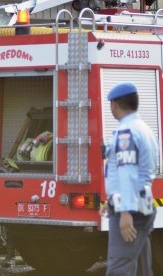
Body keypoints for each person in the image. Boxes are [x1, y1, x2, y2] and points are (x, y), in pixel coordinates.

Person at [100, 82, 158, 276]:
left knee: (119, 268)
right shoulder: (145, 129)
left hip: (131, 210)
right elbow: (141, 171)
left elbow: (128, 172)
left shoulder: (126, 133)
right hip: (143, 204)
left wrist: (125, 211)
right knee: (141, 268)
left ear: (114, 104)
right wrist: (111, 201)